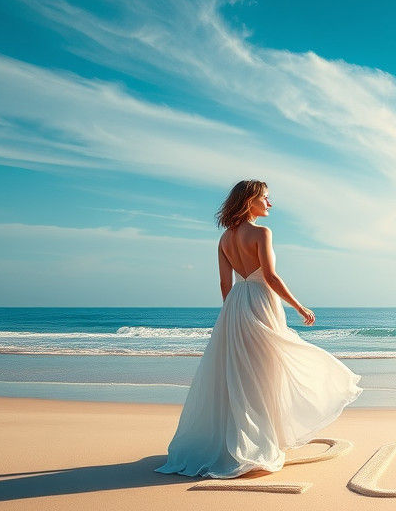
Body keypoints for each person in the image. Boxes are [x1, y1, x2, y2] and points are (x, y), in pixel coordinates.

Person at [155, 179, 362, 478]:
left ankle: (244, 440)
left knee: (240, 374)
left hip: (236, 305)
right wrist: (300, 307)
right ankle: (255, 444)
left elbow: (225, 284)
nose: (270, 203)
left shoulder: (224, 239)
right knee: (265, 372)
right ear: (250, 200)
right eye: (265, 197)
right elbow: (271, 276)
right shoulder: (262, 233)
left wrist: (231, 315)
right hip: (261, 302)